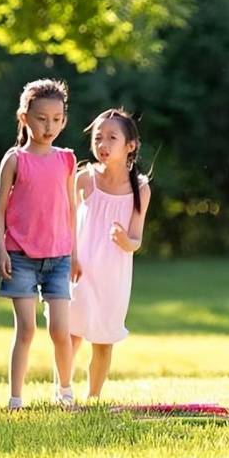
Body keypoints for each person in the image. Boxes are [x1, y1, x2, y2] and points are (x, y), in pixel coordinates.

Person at [0, 78, 78, 410]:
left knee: (61, 330)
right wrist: (1, 250)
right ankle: (16, 398)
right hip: (20, 257)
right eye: (42, 118)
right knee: (25, 329)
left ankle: (65, 392)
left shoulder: (66, 160)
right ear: (24, 117)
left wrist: (75, 253)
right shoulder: (15, 160)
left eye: (57, 119)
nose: (50, 126)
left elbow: (71, 209)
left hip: (59, 258)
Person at [69, 108, 151, 399]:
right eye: (98, 138)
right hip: (79, 270)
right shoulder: (84, 179)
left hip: (113, 275)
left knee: (103, 339)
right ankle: (63, 391)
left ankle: (93, 397)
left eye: (111, 138)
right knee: (71, 332)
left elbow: (136, 238)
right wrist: (72, 257)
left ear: (130, 146)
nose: (102, 145)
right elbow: (67, 222)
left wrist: (124, 240)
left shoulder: (140, 188)